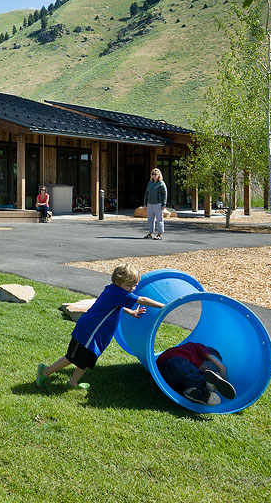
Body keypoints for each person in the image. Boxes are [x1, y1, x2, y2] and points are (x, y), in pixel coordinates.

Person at [36, 264, 165, 389]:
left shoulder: (113, 290)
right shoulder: (119, 293)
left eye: (135, 285)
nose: (132, 288)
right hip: (90, 330)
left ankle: (72, 382)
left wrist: (130, 312)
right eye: (129, 285)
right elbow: (142, 300)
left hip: (96, 332)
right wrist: (164, 306)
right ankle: (46, 371)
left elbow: (116, 305)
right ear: (117, 282)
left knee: (88, 359)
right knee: (73, 357)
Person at [156, 342, 235, 406]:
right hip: (175, 362)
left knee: (186, 388)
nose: (205, 371)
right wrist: (224, 378)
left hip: (164, 376)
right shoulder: (200, 348)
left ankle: (198, 393)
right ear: (209, 360)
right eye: (211, 368)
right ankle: (209, 386)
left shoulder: (196, 369)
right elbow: (223, 367)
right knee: (196, 377)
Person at [143, 168, 167, 240]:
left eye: (155, 174)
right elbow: (147, 193)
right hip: (150, 203)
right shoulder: (150, 183)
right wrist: (145, 203)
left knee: (159, 219)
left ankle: (160, 234)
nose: (154, 176)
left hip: (158, 203)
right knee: (150, 219)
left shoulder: (161, 184)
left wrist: (163, 204)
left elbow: (164, 194)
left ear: (159, 175)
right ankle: (150, 233)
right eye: (152, 174)